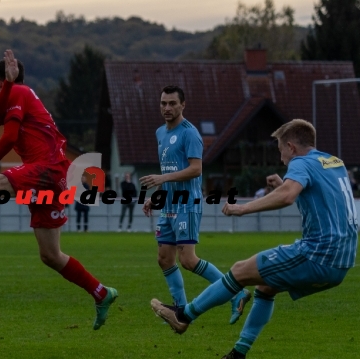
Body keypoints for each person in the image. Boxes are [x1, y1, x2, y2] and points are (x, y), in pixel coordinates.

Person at [151, 119, 358, 359]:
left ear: (291, 146)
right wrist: (285, 185)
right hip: (342, 260)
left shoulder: (300, 162)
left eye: (280, 150)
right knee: (266, 286)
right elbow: (317, 203)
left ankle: (183, 316)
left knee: (239, 270)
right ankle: (238, 354)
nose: (281, 159)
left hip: (318, 254)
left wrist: (243, 209)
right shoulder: (334, 162)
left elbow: (288, 196)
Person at [0, 50, 118, 330]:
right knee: (50, 255)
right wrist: (9, 85)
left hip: (47, 167)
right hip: (57, 172)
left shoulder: (19, 92)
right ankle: (101, 293)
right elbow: (1, 116)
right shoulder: (18, 94)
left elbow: (10, 137)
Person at [140, 85, 250, 325]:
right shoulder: (160, 133)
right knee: (164, 258)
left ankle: (237, 293)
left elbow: (195, 169)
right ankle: (179, 310)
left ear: (183, 105)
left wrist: (162, 179)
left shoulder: (190, 133)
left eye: (172, 103)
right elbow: (169, 170)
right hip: (168, 204)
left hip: (187, 205)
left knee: (188, 260)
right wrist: (156, 195)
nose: (167, 108)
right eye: (163, 103)